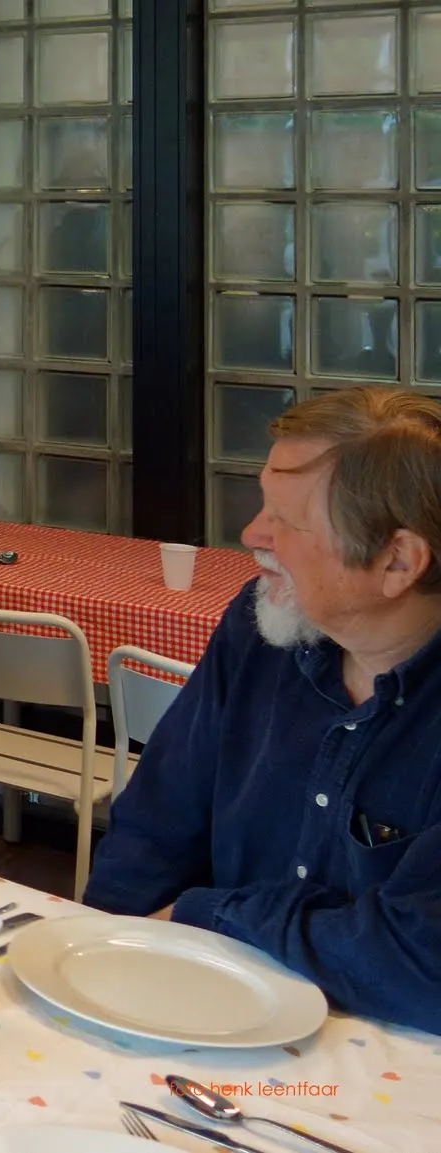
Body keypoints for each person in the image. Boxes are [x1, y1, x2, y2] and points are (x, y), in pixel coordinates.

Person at [84, 387, 441, 1032]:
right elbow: (156, 825)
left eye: (286, 520)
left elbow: (423, 959)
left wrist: (218, 916)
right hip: (206, 1017)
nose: (251, 534)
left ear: (397, 561)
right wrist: (99, 963)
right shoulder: (262, 632)